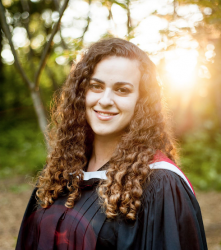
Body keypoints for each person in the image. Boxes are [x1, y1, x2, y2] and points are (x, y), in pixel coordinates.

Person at [16, 38, 208, 250]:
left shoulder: (159, 183)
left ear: (140, 101)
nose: (105, 100)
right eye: (96, 86)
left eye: (122, 90)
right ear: (81, 93)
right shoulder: (61, 173)